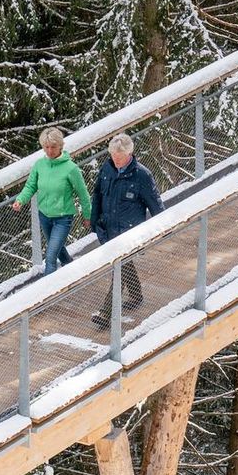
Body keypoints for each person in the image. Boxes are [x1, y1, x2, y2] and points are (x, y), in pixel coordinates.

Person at [89, 133, 163, 329]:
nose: (116, 160)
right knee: (123, 264)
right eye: (113, 156)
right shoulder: (106, 169)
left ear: (130, 154)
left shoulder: (142, 175)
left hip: (130, 233)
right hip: (108, 229)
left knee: (119, 267)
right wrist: (93, 220)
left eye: (119, 157)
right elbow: (97, 195)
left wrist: (162, 227)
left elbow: (155, 204)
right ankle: (136, 295)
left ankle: (106, 313)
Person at [12, 127, 90, 276]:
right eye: (46, 147)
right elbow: (31, 186)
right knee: (58, 249)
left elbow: (83, 194)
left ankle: (47, 292)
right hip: (45, 216)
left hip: (63, 217)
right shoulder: (39, 165)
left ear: (61, 146)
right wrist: (20, 200)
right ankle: (73, 269)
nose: (49, 151)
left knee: (50, 256)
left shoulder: (70, 168)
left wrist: (88, 216)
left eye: (53, 147)